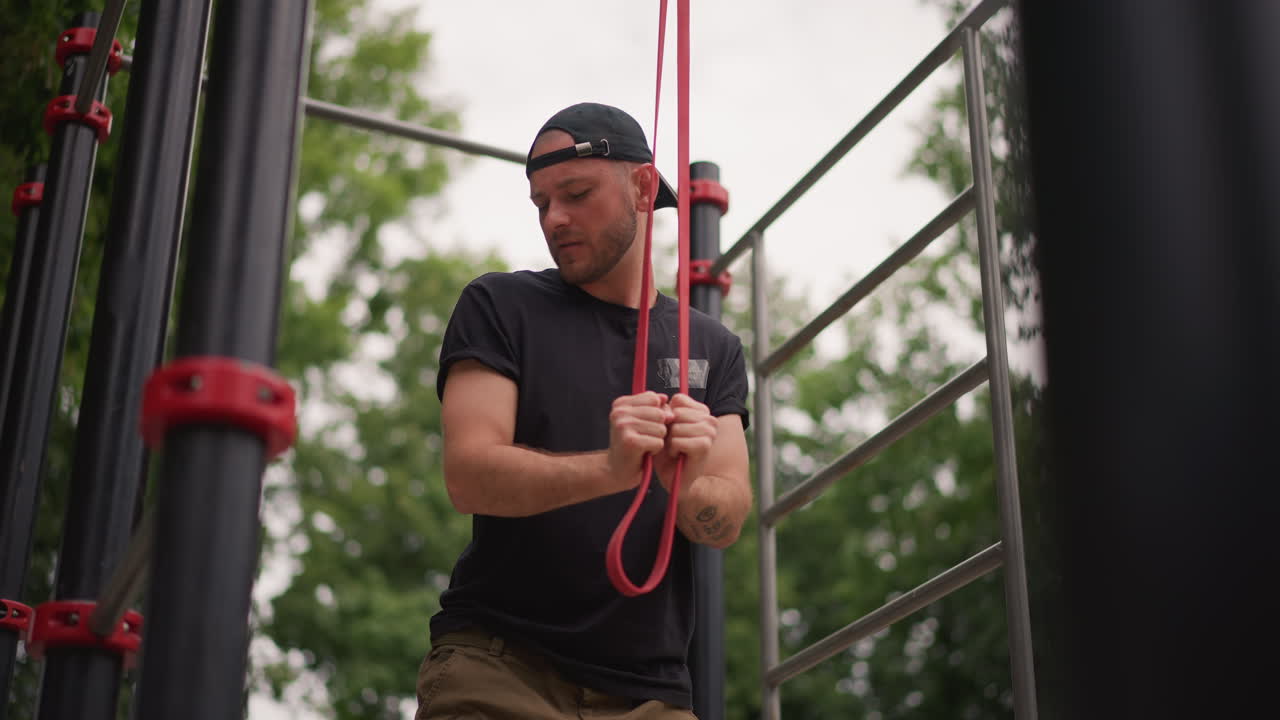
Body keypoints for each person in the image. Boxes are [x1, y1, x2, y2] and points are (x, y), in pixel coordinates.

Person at [415, 102, 752, 720]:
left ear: (643, 188)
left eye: (575, 194)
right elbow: (468, 476)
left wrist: (682, 483)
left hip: (651, 697)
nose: (555, 218)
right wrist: (612, 469)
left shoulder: (712, 346)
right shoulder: (499, 305)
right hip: (500, 666)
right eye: (541, 203)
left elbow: (726, 519)